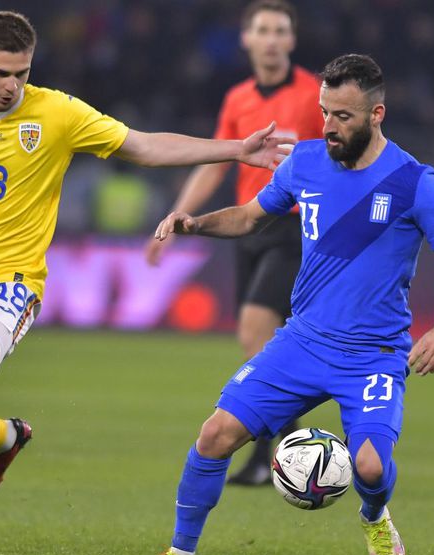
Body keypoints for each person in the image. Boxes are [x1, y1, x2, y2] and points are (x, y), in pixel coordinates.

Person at [0, 11, 294, 548]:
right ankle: (6, 438)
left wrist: (236, 149)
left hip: (12, 280)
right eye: (0, 73)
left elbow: (142, 145)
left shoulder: (57, 113)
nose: (11, 86)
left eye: (22, 74)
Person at [150, 54, 434, 555]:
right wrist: (195, 224)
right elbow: (249, 218)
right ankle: (179, 554)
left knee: (369, 466)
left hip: (373, 354)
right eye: (325, 112)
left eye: (343, 117)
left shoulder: (416, 182)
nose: (329, 126)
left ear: (377, 115)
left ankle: (374, 518)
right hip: (302, 341)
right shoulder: (302, 162)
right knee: (214, 435)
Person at [145, 0, 324, 487]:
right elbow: (217, 162)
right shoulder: (239, 99)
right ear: (246, 39)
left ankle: (288, 452)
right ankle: (287, 453)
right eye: (261, 30)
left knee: (255, 332)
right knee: (261, 347)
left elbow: (344, 155)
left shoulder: (313, 96)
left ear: (291, 39)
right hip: (249, 230)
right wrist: (178, 217)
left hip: (295, 228)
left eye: (279, 30)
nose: (270, 39)